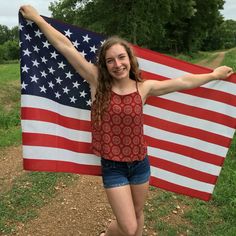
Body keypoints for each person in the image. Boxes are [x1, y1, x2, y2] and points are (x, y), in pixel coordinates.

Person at [20, 5, 234, 236]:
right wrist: (37, 19)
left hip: (140, 163)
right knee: (129, 226)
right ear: (104, 64)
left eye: (121, 57)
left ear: (130, 59)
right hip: (114, 167)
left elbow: (183, 82)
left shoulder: (145, 88)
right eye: (110, 60)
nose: (117, 64)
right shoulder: (96, 81)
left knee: (138, 213)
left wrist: (213, 75)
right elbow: (65, 46)